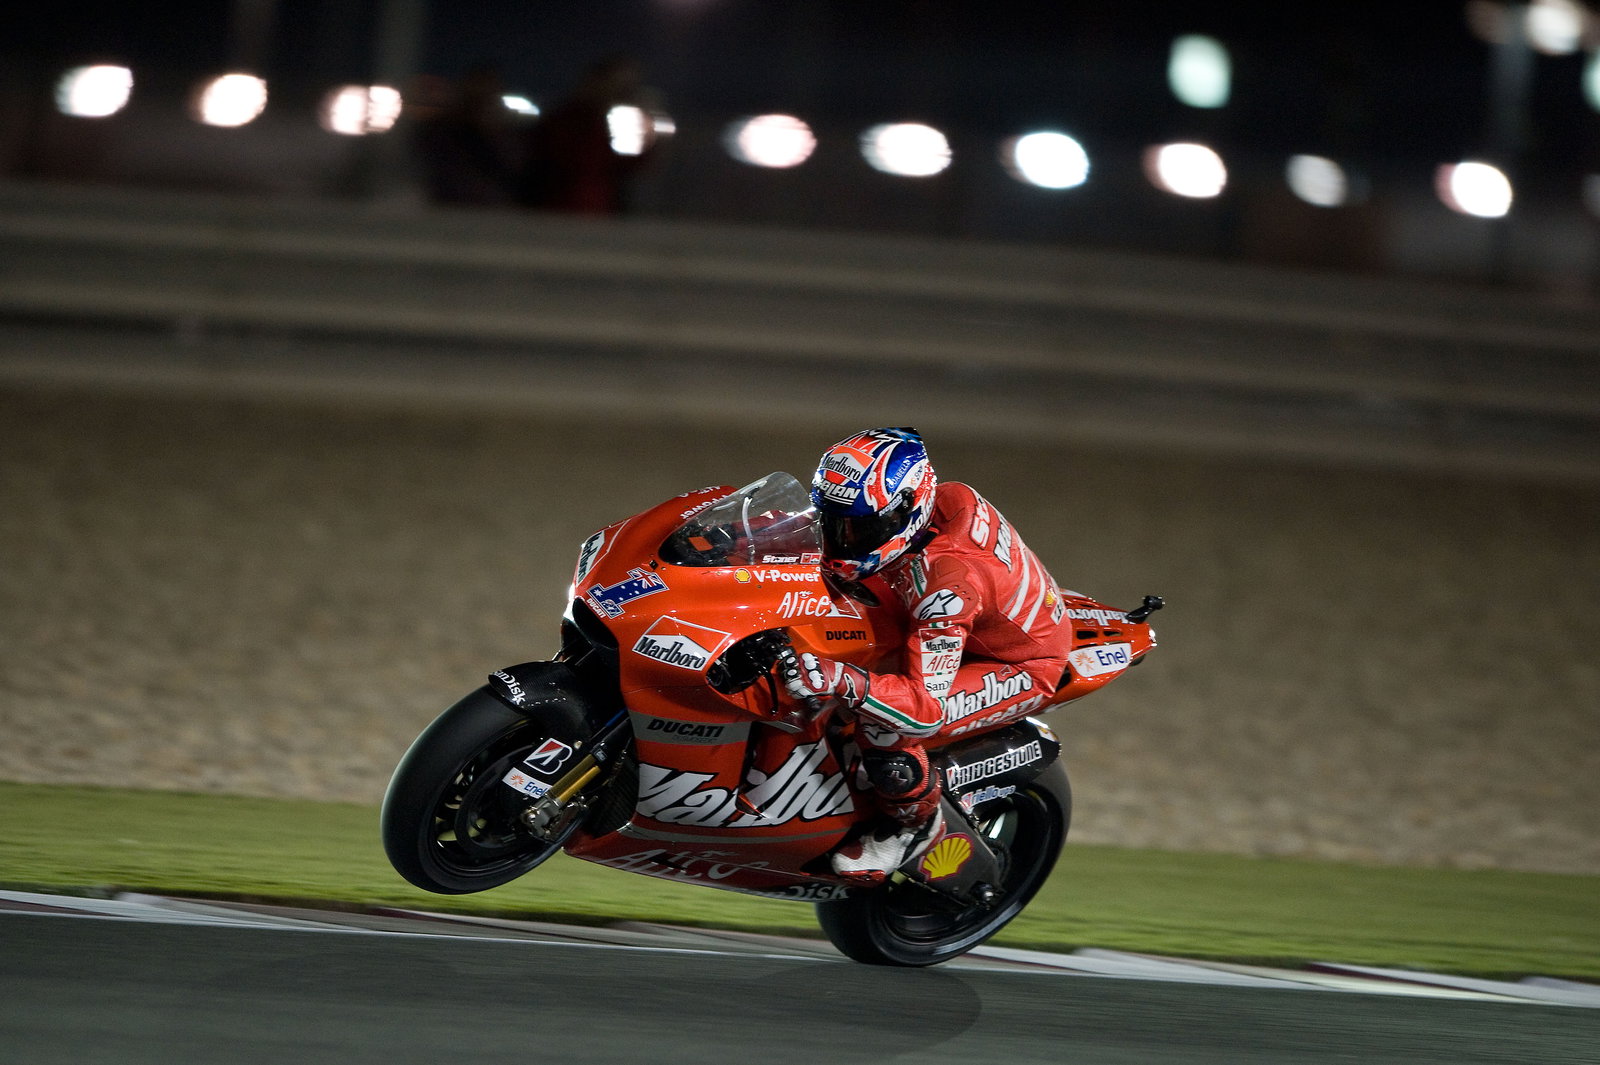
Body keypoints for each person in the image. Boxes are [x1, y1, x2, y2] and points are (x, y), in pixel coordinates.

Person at [781, 427, 1076, 883]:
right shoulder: (934, 502)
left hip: (1015, 662)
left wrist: (842, 680)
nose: (840, 540)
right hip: (972, 611)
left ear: (905, 512)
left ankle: (914, 826)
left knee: (885, 723)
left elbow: (924, 709)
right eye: (831, 520)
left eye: (858, 528)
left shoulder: (944, 589)